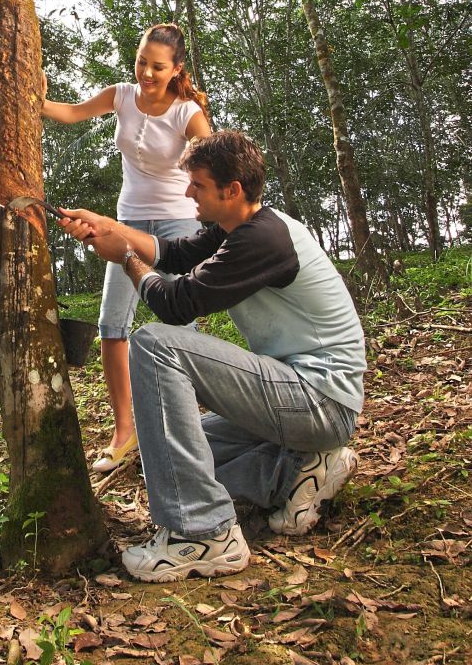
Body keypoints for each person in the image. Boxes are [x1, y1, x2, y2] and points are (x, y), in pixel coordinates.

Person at [59, 130, 365, 581]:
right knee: (166, 456)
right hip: (300, 398)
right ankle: (297, 469)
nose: (188, 193)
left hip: (320, 400)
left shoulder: (263, 239)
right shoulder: (236, 229)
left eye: (197, 185)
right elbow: (173, 253)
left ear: (232, 189)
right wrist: (108, 226)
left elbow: (176, 303)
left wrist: (124, 256)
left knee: (156, 343)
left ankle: (205, 534)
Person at [41, 24, 210, 472]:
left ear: (176, 70)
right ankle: (124, 432)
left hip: (177, 226)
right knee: (111, 323)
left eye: (158, 67)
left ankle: (189, 428)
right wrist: (32, 95)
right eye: (142, 62)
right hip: (126, 220)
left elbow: (207, 156)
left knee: (181, 323)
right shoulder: (119, 95)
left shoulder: (186, 113)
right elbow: (70, 113)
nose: (147, 73)